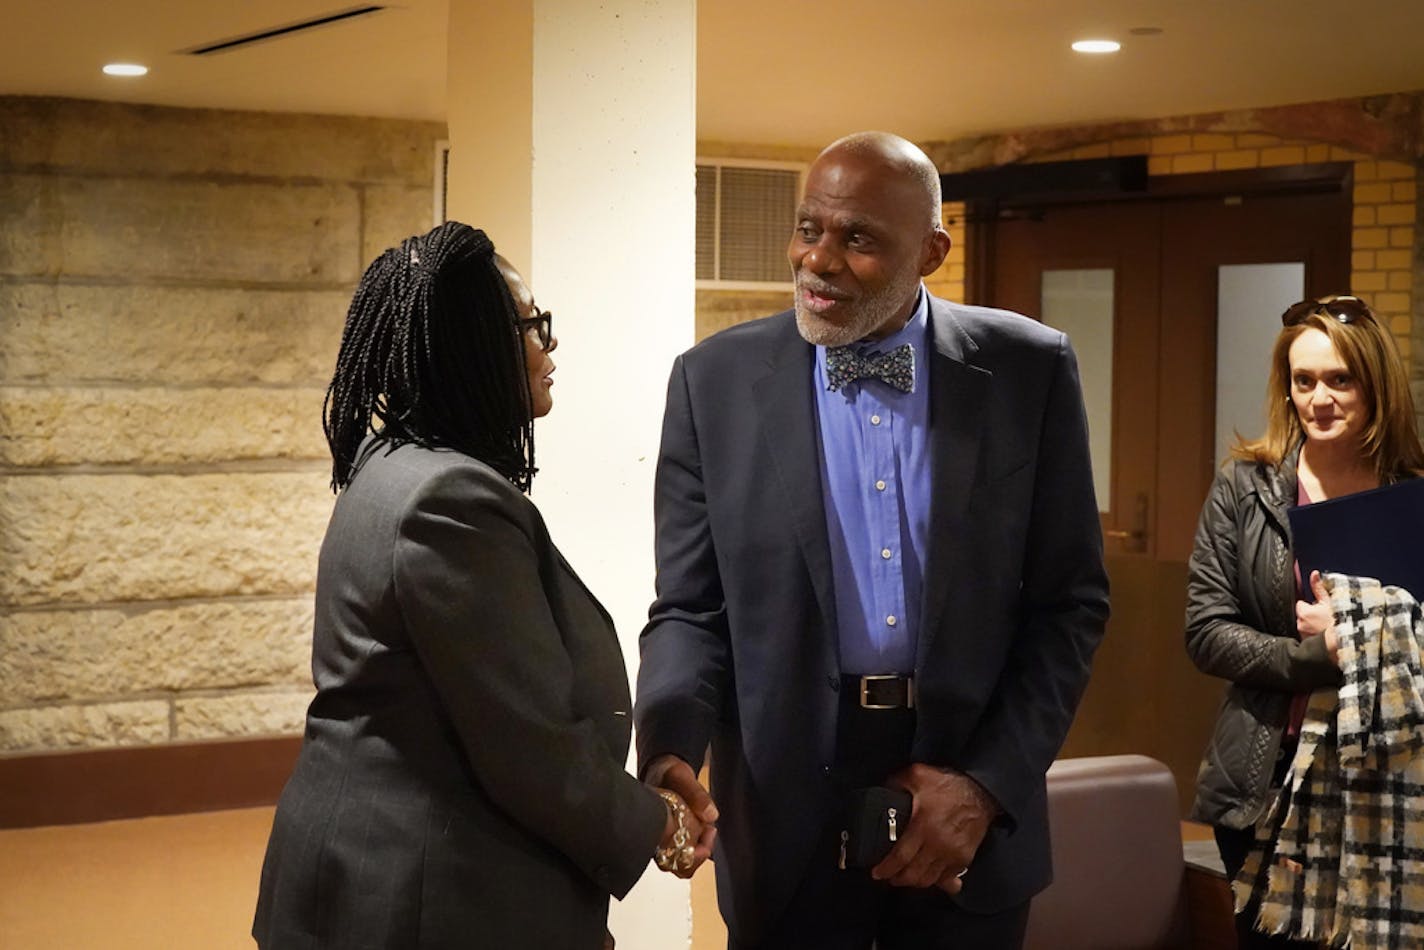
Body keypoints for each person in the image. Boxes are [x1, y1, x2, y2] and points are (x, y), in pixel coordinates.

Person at [634, 131, 1110, 949]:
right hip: (784, 807)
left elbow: (1070, 606)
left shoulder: (1029, 370)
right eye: (808, 228)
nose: (817, 260)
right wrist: (668, 745)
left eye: (856, 238)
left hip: (966, 803)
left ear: (930, 250)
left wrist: (986, 786)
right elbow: (690, 608)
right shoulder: (711, 383)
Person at [252, 221, 709, 950]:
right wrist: (660, 821)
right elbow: (528, 744)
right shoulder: (450, 502)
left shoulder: (390, 462)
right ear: (472, 343)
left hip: (363, 867)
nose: (548, 348)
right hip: (427, 895)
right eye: (532, 326)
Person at [1185, 293, 1424, 949]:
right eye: (1303, 380)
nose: (1319, 398)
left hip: (1389, 783)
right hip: (1266, 780)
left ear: (1375, 383)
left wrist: (1367, 631)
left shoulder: (1413, 490)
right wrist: (1319, 656)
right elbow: (1206, 632)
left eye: (1340, 379)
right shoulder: (1248, 485)